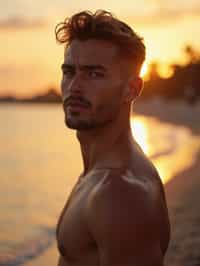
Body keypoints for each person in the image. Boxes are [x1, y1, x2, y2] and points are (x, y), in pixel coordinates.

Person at [55, 10, 170, 266]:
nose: (74, 87)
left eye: (94, 74)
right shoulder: (102, 172)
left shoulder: (119, 196)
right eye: (69, 71)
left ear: (131, 89)